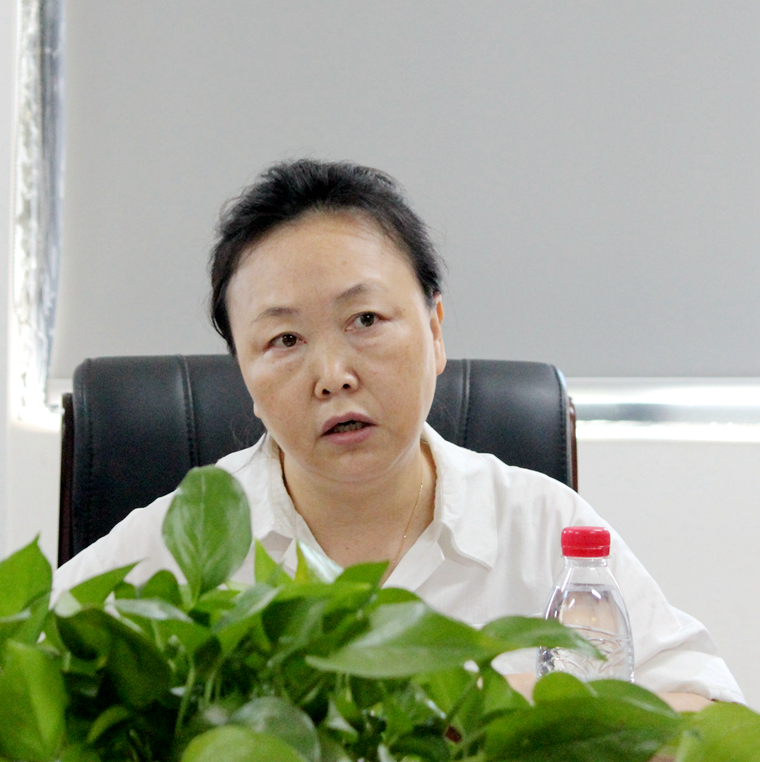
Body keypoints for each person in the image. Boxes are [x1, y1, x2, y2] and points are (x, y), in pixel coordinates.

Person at [54, 159, 743, 707]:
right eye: (284, 340)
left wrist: (521, 706)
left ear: (435, 331)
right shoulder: (187, 540)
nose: (333, 376)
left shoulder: (543, 529)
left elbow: (713, 717)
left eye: (366, 321)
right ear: (244, 374)